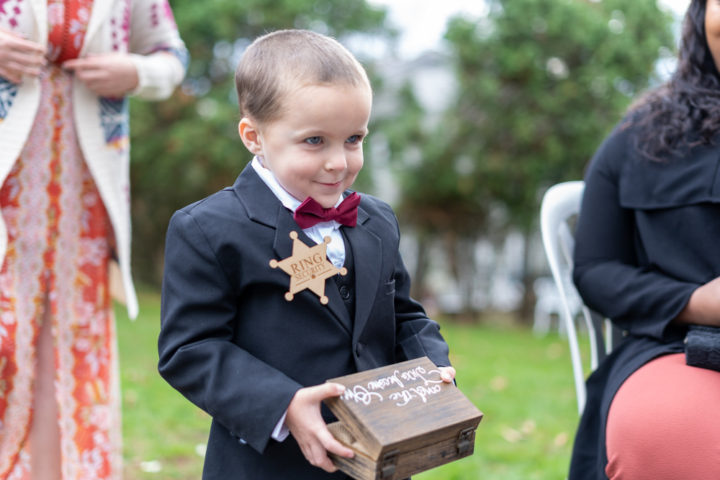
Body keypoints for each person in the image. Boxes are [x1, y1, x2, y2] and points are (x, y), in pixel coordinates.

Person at [157, 29, 456, 479]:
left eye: (354, 139)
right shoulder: (208, 228)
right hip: (268, 465)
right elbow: (191, 349)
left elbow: (404, 316)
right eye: (315, 141)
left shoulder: (377, 220)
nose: (339, 162)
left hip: (378, 458)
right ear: (254, 136)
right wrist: (284, 405)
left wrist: (432, 366)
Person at [0, 0, 186, 478]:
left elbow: (173, 57)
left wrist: (135, 71)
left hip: (86, 187)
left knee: (68, 343)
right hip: (8, 182)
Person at [569, 1, 720, 479]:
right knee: (668, 435)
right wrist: (696, 301)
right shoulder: (644, 137)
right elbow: (595, 269)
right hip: (683, 348)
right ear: (700, 15)